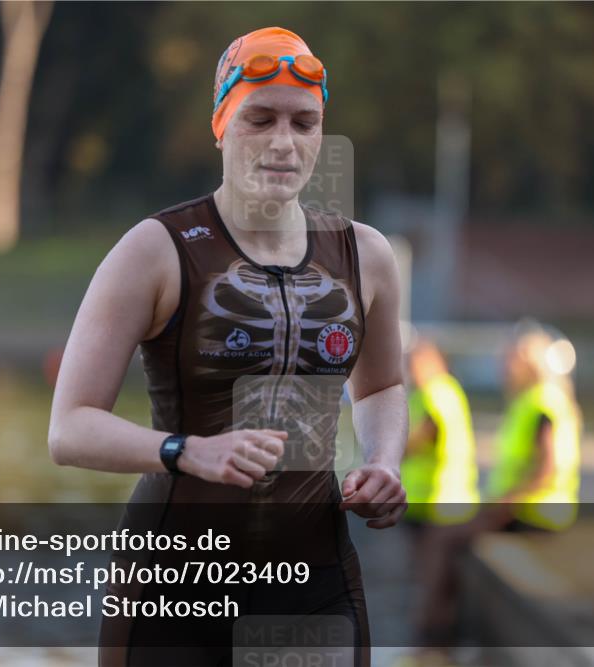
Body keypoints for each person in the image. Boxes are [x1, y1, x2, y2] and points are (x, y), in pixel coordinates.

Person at [48, 26, 408, 667]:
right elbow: (69, 428)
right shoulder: (155, 250)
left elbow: (381, 387)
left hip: (314, 585)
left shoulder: (365, 254)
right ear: (221, 124)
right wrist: (187, 451)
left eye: (304, 123)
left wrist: (384, 461)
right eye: (258, 119)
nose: (283, 142)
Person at [399, 340, 479, 658]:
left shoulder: (438, 393)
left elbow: (421, 438)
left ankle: (431, 645)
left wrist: (388, 449)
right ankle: (433, 645)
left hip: (441, 503)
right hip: (425, 503)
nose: (412, 368)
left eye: (417, 361)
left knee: (433, 579)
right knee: (430, 577)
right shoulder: (427, 393)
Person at [483, 327, 582, 532]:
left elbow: (548, 466)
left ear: (530, 365)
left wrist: (508, 501)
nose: (505, 368)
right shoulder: (529, 400)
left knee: (447, 536)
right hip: (528, 507)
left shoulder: (542, 403)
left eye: (512, 361)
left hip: (535, 510)